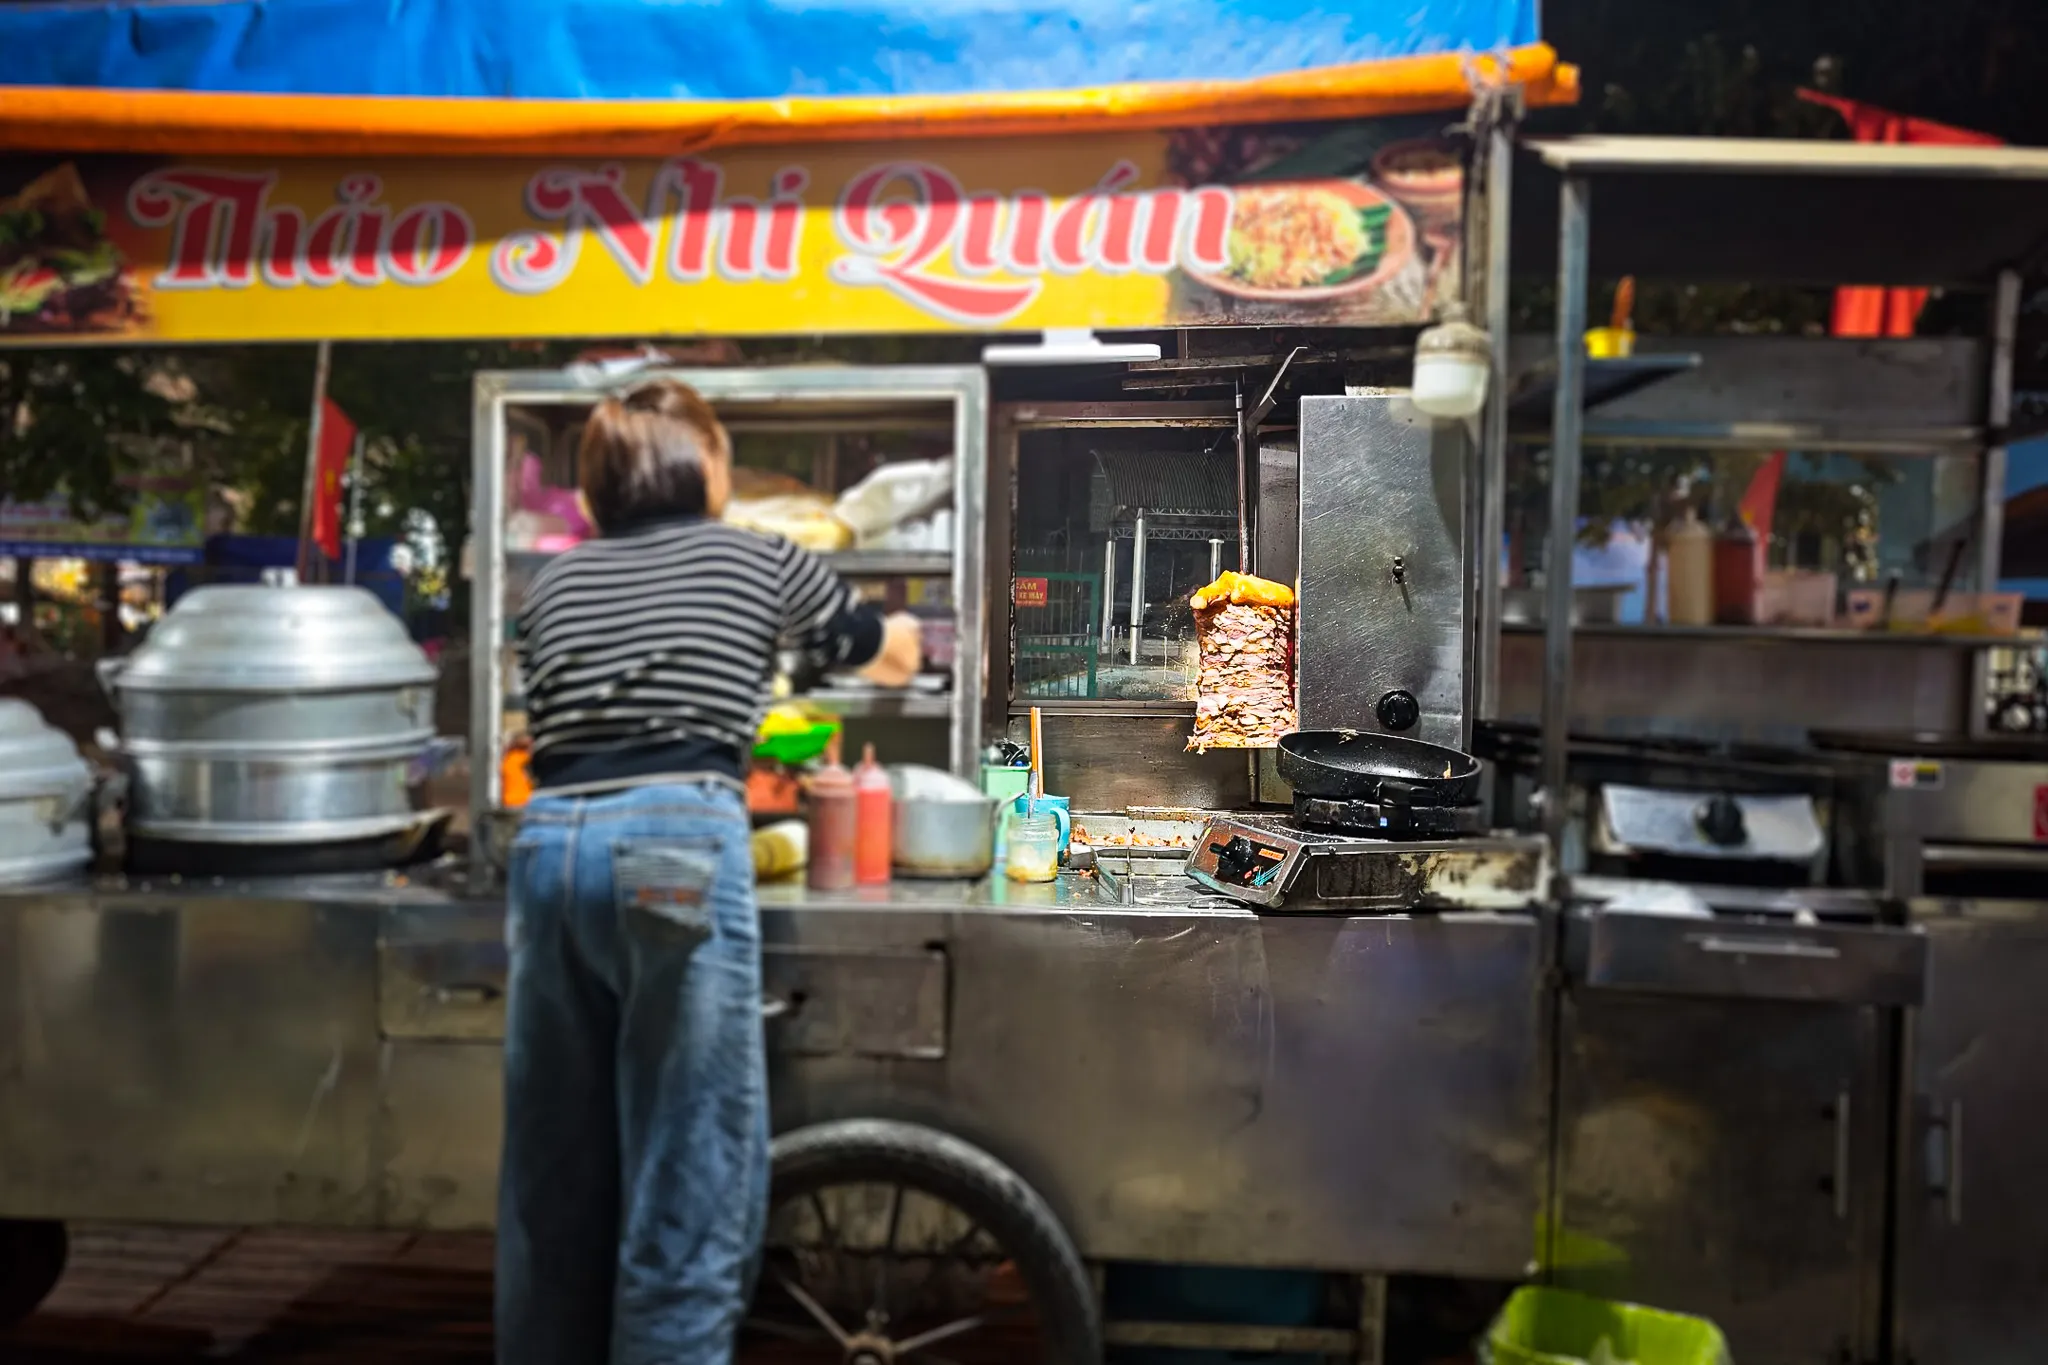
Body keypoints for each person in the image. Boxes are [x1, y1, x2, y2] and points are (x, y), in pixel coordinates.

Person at [496, 380, 921, 1365]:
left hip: (550, 847)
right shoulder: (756, 557)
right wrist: (894, 636)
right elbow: (888, 657)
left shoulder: (554, 581)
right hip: (672, 846)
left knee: (552, 1167)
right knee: (685, 1159)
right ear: (705, 468)